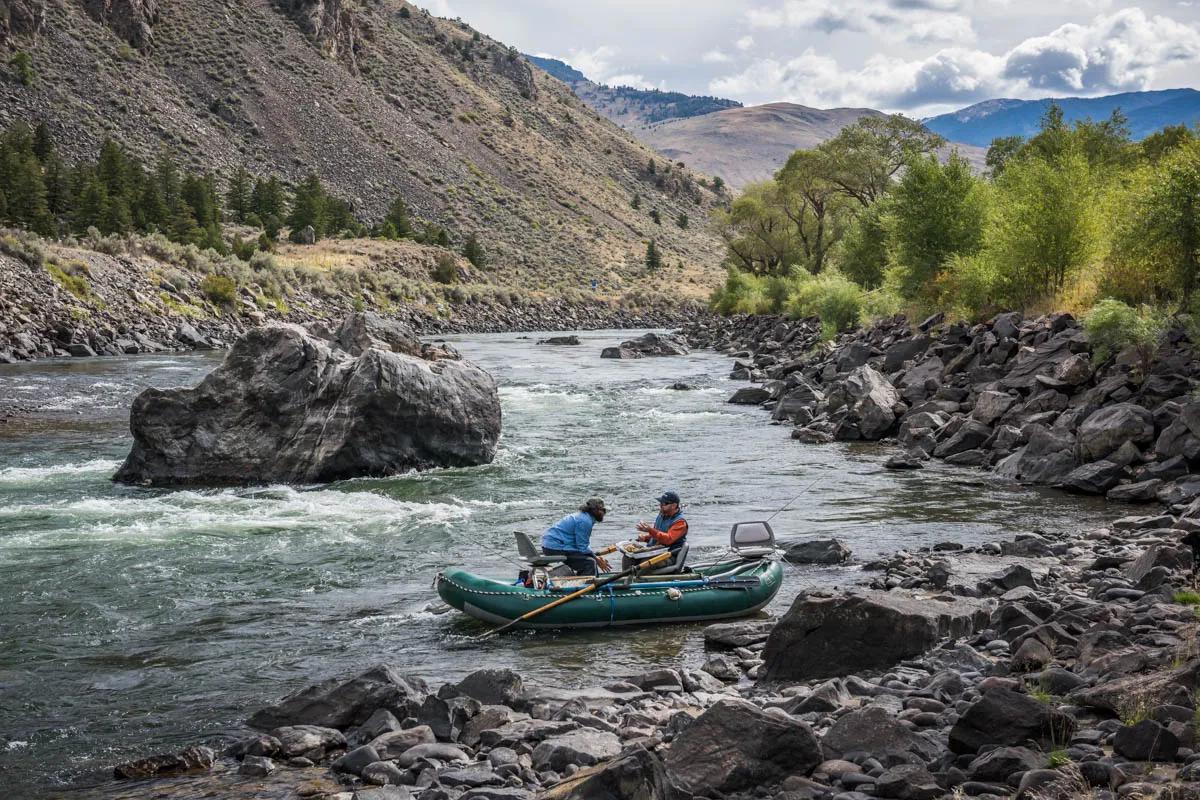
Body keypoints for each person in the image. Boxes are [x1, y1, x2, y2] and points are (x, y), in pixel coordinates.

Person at [542, 498, 609, 576]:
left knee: (590, 559)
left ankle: (588, 578)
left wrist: (595, 557)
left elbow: (582, 546)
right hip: (555, 548)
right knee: (589, 563)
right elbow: (582, 548)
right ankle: (586, 585)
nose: (604, 513)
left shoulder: (583, 516)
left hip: (552, 545)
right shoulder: (585, 521)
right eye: (603, 510)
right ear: (595, 510)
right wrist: (596, 559)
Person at [635, 490, 688, 559]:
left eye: (664, 504)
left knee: (644, 561)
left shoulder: (680, 522)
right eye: (660, 503)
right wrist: (645, 538)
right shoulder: (661, 515)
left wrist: (650, 530)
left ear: (674, 506)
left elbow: (668, 539)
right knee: (629, 558)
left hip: (668, 556)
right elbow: (657, 536)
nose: (660, 506)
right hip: (654, 552)